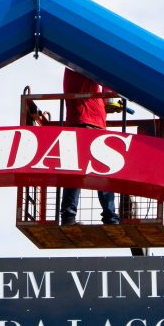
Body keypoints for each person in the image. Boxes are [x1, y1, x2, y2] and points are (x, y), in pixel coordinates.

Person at [59, 68, 120, 226]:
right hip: (90, 121)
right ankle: (110, 216)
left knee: (75, 171)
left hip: (79, 119)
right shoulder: (84, 62)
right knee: (102, 170)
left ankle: (68, 216)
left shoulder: (72, 66)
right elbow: (108, 75)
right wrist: (110, 98)